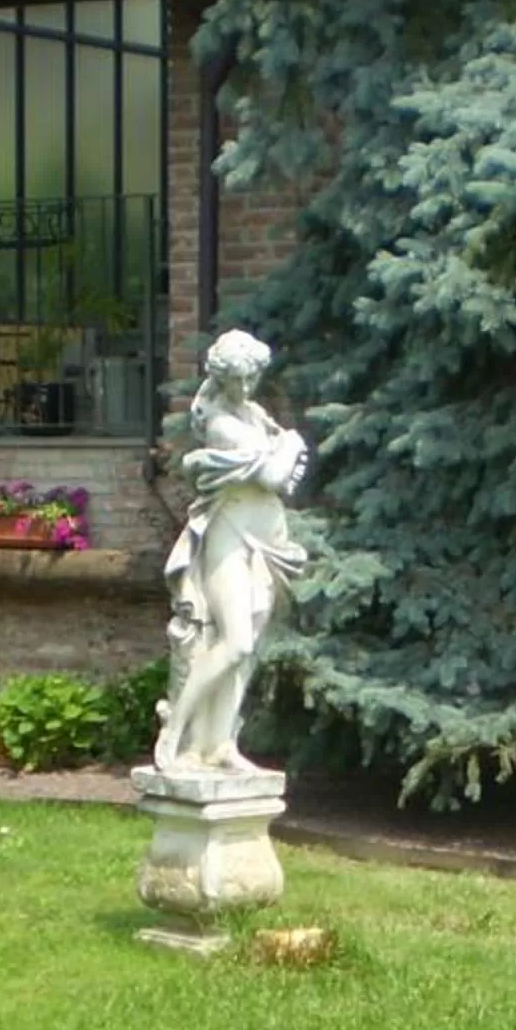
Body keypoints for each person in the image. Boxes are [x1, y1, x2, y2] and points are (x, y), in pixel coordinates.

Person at [152, 330, 309, 773]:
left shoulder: (254, 413)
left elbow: (277, 467)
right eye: (235, 381)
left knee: (252, 645)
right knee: (234, 641)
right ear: (221, 379)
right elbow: (277, 475)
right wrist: (292, 443)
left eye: (249, 379)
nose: (243, 388)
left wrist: (283, 445)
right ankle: (175, 731)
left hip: (268, 541)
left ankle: (220, 744)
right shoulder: (222, 423)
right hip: (230, 535)